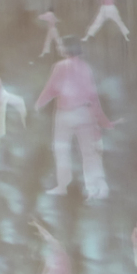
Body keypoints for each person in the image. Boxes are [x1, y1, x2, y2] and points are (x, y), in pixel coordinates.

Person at [35, 37, 113, 199]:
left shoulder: (59, 66)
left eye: (61, 45)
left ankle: (63, 185)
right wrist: (101, 119)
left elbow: (51, 89)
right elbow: (93, 97)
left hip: (65, 113)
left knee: (61, 150)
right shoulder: (86, 68)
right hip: (84, 113)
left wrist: (39, 104)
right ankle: (92, 188)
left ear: (66, 48)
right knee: (88, 152)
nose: (59, 47)